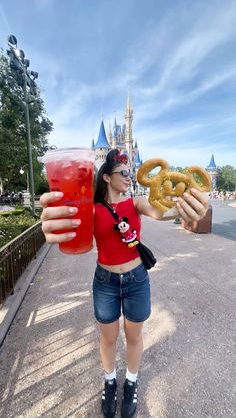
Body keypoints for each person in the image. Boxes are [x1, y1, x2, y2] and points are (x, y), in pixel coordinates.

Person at [40, 149, 208, 418]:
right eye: (124, 173)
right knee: (107, 338)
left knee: (133, 335)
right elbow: (70, 227)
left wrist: (189, 206)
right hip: (105, 281)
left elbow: (162, 211)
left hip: (136, 279)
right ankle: (110, 380)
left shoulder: (137, 202)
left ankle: (130, 381)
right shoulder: (92, 209)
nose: (130, 178)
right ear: (106, 177)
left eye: (131, 172)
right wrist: (54, 224)